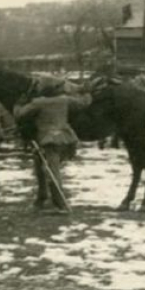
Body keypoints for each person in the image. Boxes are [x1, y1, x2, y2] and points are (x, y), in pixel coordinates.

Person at [14, 81, 91, 212]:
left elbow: (20, 115)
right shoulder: (64, 100)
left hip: (48, 140)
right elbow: (84, 103)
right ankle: (42, 197)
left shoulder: (39, 102)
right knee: (41, 166)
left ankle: (60, 204)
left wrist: (18, 104)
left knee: (51, 171)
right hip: (65, 139)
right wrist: (86, 92)